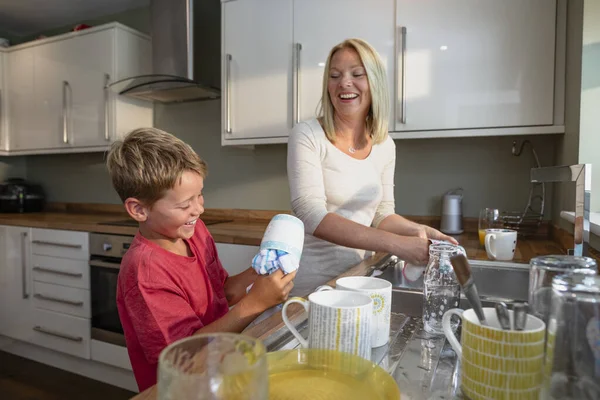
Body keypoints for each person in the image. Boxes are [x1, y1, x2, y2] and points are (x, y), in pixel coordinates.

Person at [106, 128, 296, 391]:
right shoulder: (145, 273)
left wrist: (261, 269)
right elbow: (186, 359)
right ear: (139, 209)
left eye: (200, 195)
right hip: (183, 389)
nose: (199, 208)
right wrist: (256, 304)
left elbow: (223, 292)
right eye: (185, 205)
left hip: (220, 374)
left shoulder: (195, 232)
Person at [287, 38, 457, 296]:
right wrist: (399, 245)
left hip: (359, 279)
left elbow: (382, 215)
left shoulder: (384, 145)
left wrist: (420, 231)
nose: (344, 83)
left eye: (357, 74)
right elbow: (311, 214)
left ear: (374, 83)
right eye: (335, 75)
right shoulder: (307, 135)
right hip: (311, 287)